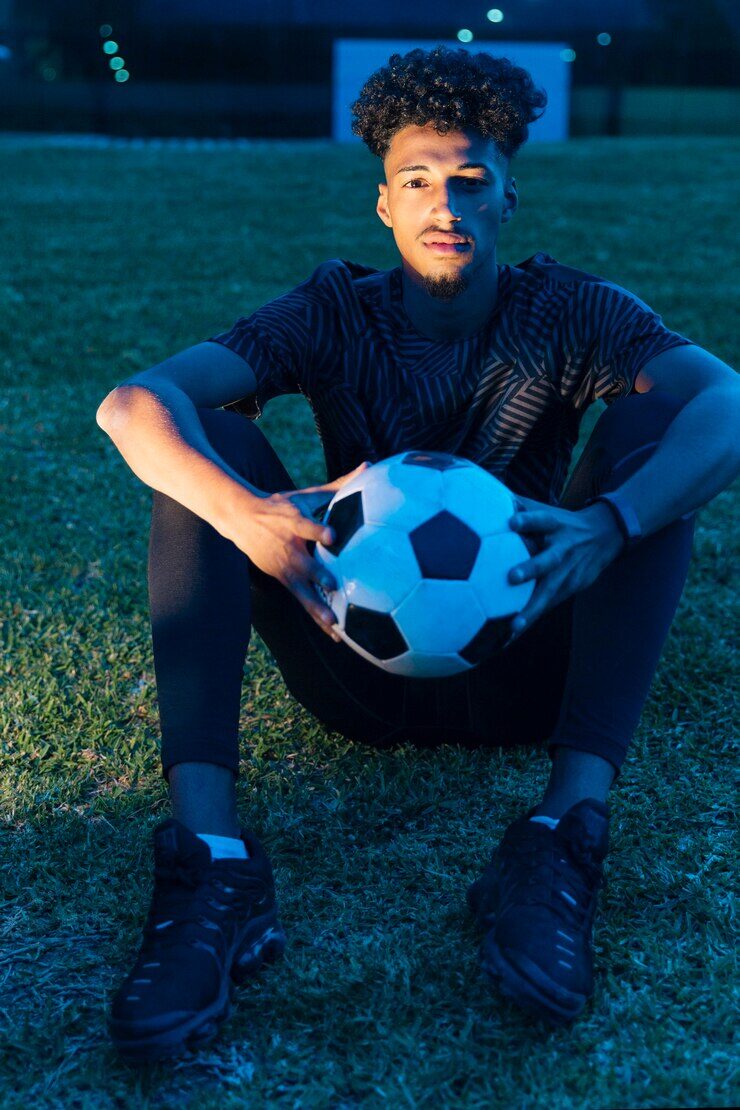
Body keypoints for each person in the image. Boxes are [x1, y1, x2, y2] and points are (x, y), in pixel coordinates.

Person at [95, 45, 740, 1060]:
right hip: (358, 674)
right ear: (383, 206)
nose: (445, 202)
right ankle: (213, 860)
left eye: (469, 181)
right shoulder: (331, 311)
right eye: (418, 180)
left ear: (505, 199)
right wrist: (244, 515)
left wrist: (606, 523)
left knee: (658, 443)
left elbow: (726, 404)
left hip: (530, 664)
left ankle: (560, 834)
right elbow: (128, 404)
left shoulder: (570, 311)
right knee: (202, 443)